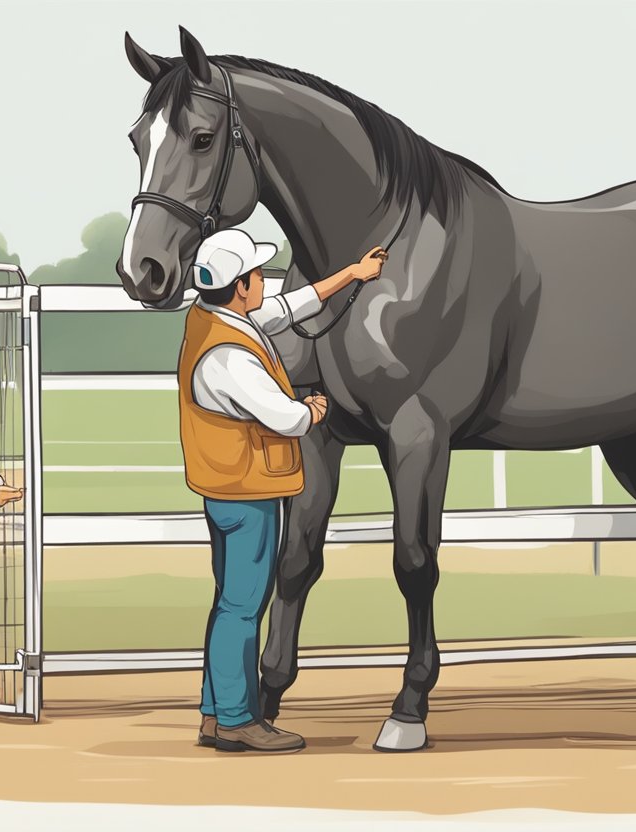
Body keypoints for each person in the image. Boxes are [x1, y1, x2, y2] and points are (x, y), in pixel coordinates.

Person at [178, 227, 387, 753]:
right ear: (242, 286)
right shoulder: (233, 358)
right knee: (244, 607)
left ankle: (215, 712)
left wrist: (353, 274)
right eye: (256, 275)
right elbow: (286, 417)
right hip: (246, 493)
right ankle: (237, 721)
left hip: (228, 489)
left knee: (230, 602)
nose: (263, 282)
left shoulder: (217, 322)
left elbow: (291, 307)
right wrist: (313, 409)